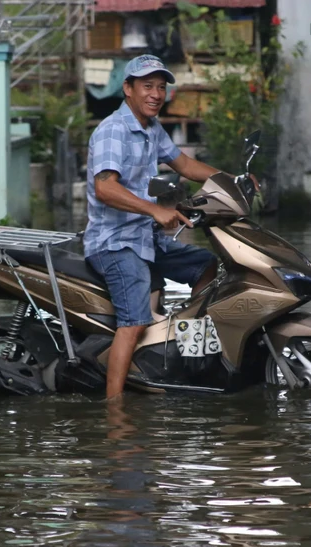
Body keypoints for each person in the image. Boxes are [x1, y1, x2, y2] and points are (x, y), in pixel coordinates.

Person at [84, 54, 221, 400]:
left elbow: (185, 164)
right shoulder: (113, 130)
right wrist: (154, 210)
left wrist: (231, 181)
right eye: (147, 86)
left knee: (207, 266)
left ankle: (190, 355)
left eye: (161, 87)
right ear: (127, 89)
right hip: (114, 243)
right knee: (134, 321)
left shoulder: (152, 129)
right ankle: (114, 411)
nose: (156, 94)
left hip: (144, 238)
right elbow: (105, 187)